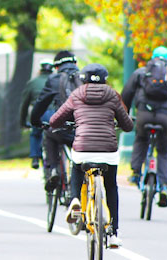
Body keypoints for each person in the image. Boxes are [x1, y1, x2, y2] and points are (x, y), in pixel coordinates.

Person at [50, 63, 133, 247]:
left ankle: (75, 200)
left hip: (83, 148)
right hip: (108, 151)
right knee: (111, 185)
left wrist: (67, 122)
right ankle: (113, 233)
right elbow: (128, 125)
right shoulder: (112, 95)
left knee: (77, 167)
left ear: (83, 78)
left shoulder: (77, 94)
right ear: (105, 78)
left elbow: (55, 120)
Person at [121, 46, 167, 207]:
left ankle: (136, 172)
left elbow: (126, 94)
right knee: (164, 151)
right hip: (166, 117)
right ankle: (164, 187)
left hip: (144, 114)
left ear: (152, 57)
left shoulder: (142, 72)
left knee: (141, 139)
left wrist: (126, 114)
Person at [30, 50, 80, 191]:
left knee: (49, 135)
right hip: (84, 129)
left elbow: (41, 103)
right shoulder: (84, 77)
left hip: (63, 129)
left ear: (57, 66)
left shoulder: (54, 79)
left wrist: (35, 121)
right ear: (75, 63)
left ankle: (53, 169)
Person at [20, 59, 53, 169]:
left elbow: (24, 105)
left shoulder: (32, 82)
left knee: (35, 133)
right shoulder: (57, 80)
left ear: (40, 69)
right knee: (56, 135)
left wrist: (23, 122)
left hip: (38, 113)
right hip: (55, 113)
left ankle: (35, 157)